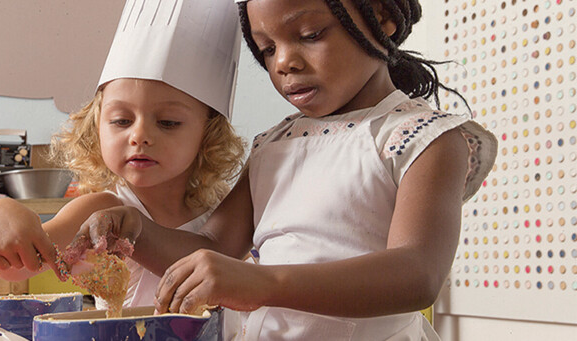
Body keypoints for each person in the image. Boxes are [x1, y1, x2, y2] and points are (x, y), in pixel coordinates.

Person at [73, 0, 499, 339]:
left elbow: (417, 274)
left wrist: (262, 283)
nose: (284, 63)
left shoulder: (423, 138)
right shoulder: (274, 145)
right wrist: (135, 229)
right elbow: (213, 247)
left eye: (309, 35)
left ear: (382, 15)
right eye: (267, 48)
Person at [0, 0, 245, 311]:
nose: (139, 136)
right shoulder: (101, 210)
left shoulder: (223, 213)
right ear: (96, 125)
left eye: (168, 122)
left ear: (208, 133)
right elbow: (19, 266)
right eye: (121, 120)